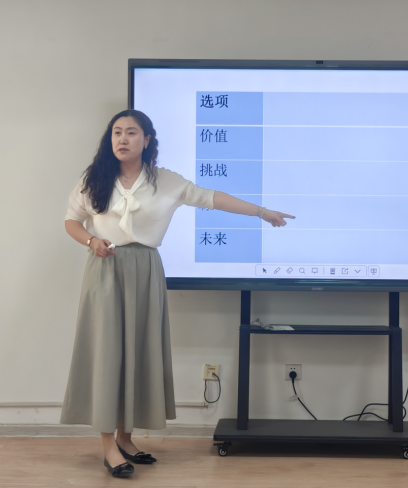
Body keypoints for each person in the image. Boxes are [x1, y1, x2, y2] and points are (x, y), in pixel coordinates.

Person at [60, 109, 294, 478]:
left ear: (147, 140)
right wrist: (91, 241)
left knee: (139, 352)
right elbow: (72, 220)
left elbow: (211, 197)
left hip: (146, 270)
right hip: (106, 270)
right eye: (117, 132)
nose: (122, 139)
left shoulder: (165, 181)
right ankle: (108, 448)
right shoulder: (94, 179)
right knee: (107, 354)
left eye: (131, 132)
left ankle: (125, 438)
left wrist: (261, 212)